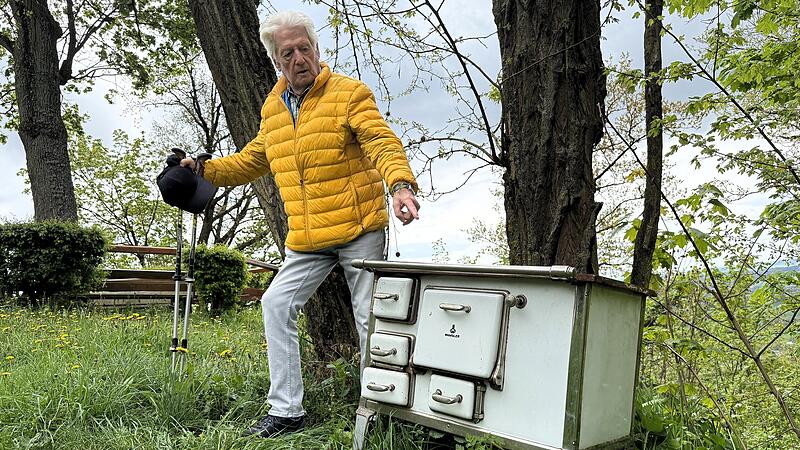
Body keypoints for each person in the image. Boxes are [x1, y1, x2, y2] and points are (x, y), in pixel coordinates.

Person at [181, 10, 419, 438]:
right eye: (288, 52)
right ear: (277, 60)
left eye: (304, 49)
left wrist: (400, 183)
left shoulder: (349, 94)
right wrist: (203, 169)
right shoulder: (273, 107)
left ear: (316, 50)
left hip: (358, 225)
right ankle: (287, 412)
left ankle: (378, 409)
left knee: (370, 317)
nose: (298, 58)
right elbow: (254, 159)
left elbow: (380, 139)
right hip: (307, 237)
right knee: (275, 304)